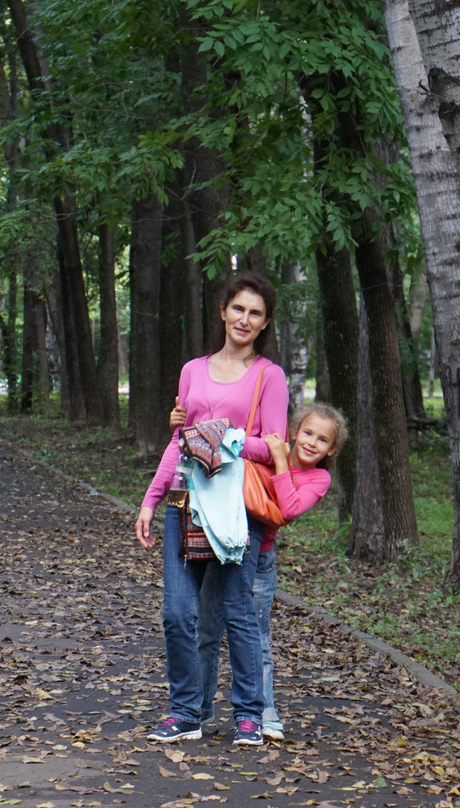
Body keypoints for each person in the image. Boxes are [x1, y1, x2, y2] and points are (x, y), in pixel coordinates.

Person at [135, 273, 289, 747]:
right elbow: (179, 443)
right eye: (238, 309)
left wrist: (226, 438)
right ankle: (186, 713)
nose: (245, 319)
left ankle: (248, 713)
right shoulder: (191, 370)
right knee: (178, 614)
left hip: (233, 508)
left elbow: (276, 446)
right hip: (185, 501)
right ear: (223, 311)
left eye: (255, 313)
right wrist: (150, 500)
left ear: (264, 324)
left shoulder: (270, 376)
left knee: (238, 613)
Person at [195, 401, 347, 741]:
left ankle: (263, 711)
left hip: (260, 561)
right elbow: (226, 439)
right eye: (307, 433)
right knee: (206, 630)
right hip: (224, 550)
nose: (311, 443)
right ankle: (200, 708)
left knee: (255, 638)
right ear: (294, 431)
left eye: (322, 440)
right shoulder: (265, 449)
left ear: (331, 449)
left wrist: (280, 460)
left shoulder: (319, 478)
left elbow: (289, 508)